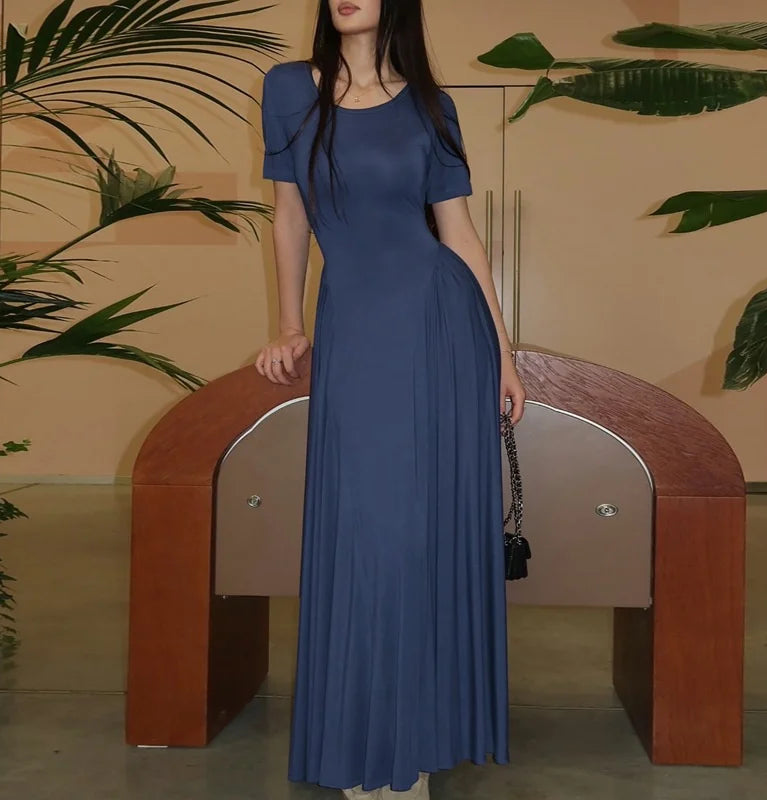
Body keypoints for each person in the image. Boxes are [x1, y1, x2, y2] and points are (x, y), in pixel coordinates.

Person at [255, 1, 527, 797]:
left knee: (419, 535)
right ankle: (363, 740)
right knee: (364, 528)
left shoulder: (431, 107)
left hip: (441, 328)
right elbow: (288, 217)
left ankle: (412, 747)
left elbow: (461, 236)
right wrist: (286, 324)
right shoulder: (287, 89)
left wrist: (503, 358)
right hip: (356, 330)